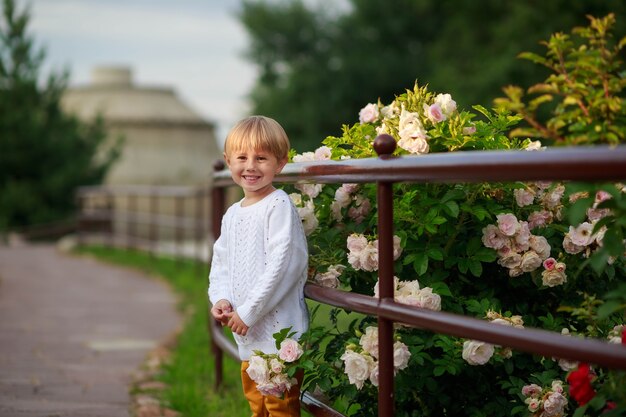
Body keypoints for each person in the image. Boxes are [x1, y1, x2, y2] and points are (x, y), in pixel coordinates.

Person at [208, 115, 309, 417]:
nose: (250, 166)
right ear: (228, 162)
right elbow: (221, 263)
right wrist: (222, 299)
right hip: (247, 334)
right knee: (257, 404)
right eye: (242, 157)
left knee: (280, 406)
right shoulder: (232, 214)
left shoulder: (278, 204)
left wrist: (248, 312)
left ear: (280, 163)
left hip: (278, 336)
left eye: (261, 158)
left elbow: (283, 265)